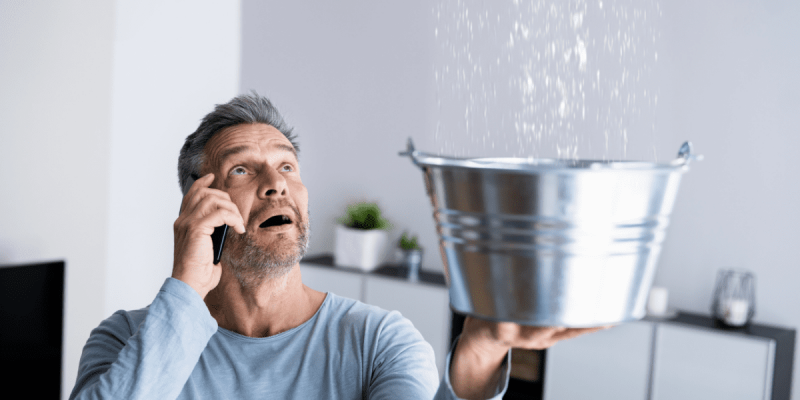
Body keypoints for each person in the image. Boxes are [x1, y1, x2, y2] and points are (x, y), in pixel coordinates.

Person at [69, 93, 604, 400]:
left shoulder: (378, 342)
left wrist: (482, 350)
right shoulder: (126, 340)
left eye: (286, 166)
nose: (276, 183)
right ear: (197, 205)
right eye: (242, 169)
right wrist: (186, 289)